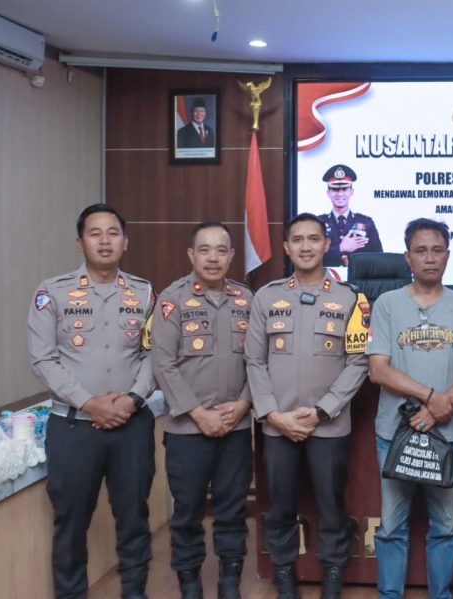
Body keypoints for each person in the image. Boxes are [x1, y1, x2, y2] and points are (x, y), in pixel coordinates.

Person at [28, 203, 156, 599]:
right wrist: (89, 402)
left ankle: (135, 593)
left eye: (113, 233)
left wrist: (133, 399)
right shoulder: (52, 292)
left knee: (134, 519)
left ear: (125, 242)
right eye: (95, 233)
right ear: (80, 242)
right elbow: (43, 360)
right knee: (71, 524)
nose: (104, 241)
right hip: (73, 428)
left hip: (132, 426)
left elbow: (155, 355)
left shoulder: (144, 292)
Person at [245, 213, 371, 599]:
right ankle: (285, 578)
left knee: (331, 507)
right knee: (280, 507)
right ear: (286, 247)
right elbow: (254, 361)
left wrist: (322, 411)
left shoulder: (350, 298)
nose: (305, 247)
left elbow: (359, 361)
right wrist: (272, 414)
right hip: (278, 425)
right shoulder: (267, 297)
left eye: (313, 239)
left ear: (326, 244)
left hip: (328, 425)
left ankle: (332, 578)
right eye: (297, 240)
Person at [367, 218, 453, 598]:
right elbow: (378, 370)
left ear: (447, 255)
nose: (429, 258)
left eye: (437, 250)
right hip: (394, 433)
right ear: (407, 257)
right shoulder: (386, 304)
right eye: (421, 251)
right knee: (391, 526)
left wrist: (439, 408)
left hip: (449, 433)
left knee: (445, 526)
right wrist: (431, 396)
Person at [151, 222, 253, 599]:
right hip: (187, 430)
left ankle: (229, 584)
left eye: (221, 250)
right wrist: (199, 413)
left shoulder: (247, 299)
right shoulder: (171, 300)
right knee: (188, 513)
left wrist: (244, 403)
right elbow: (163, 364)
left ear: (231, 256)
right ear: (191, 255)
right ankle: (190, 585)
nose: (213, 258)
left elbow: (259, 360)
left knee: (232, 511)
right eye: (205, 250)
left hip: (235, 426)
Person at [317, 164, 383, 266]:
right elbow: (312, 255)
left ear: (351, 192)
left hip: (357, 276)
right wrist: (341, 247)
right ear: (328, 193)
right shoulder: (318, 223)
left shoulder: (366, 222)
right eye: (335, 189)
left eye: (344, 189)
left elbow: (378, 258)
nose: (340, 194)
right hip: (327, 275)